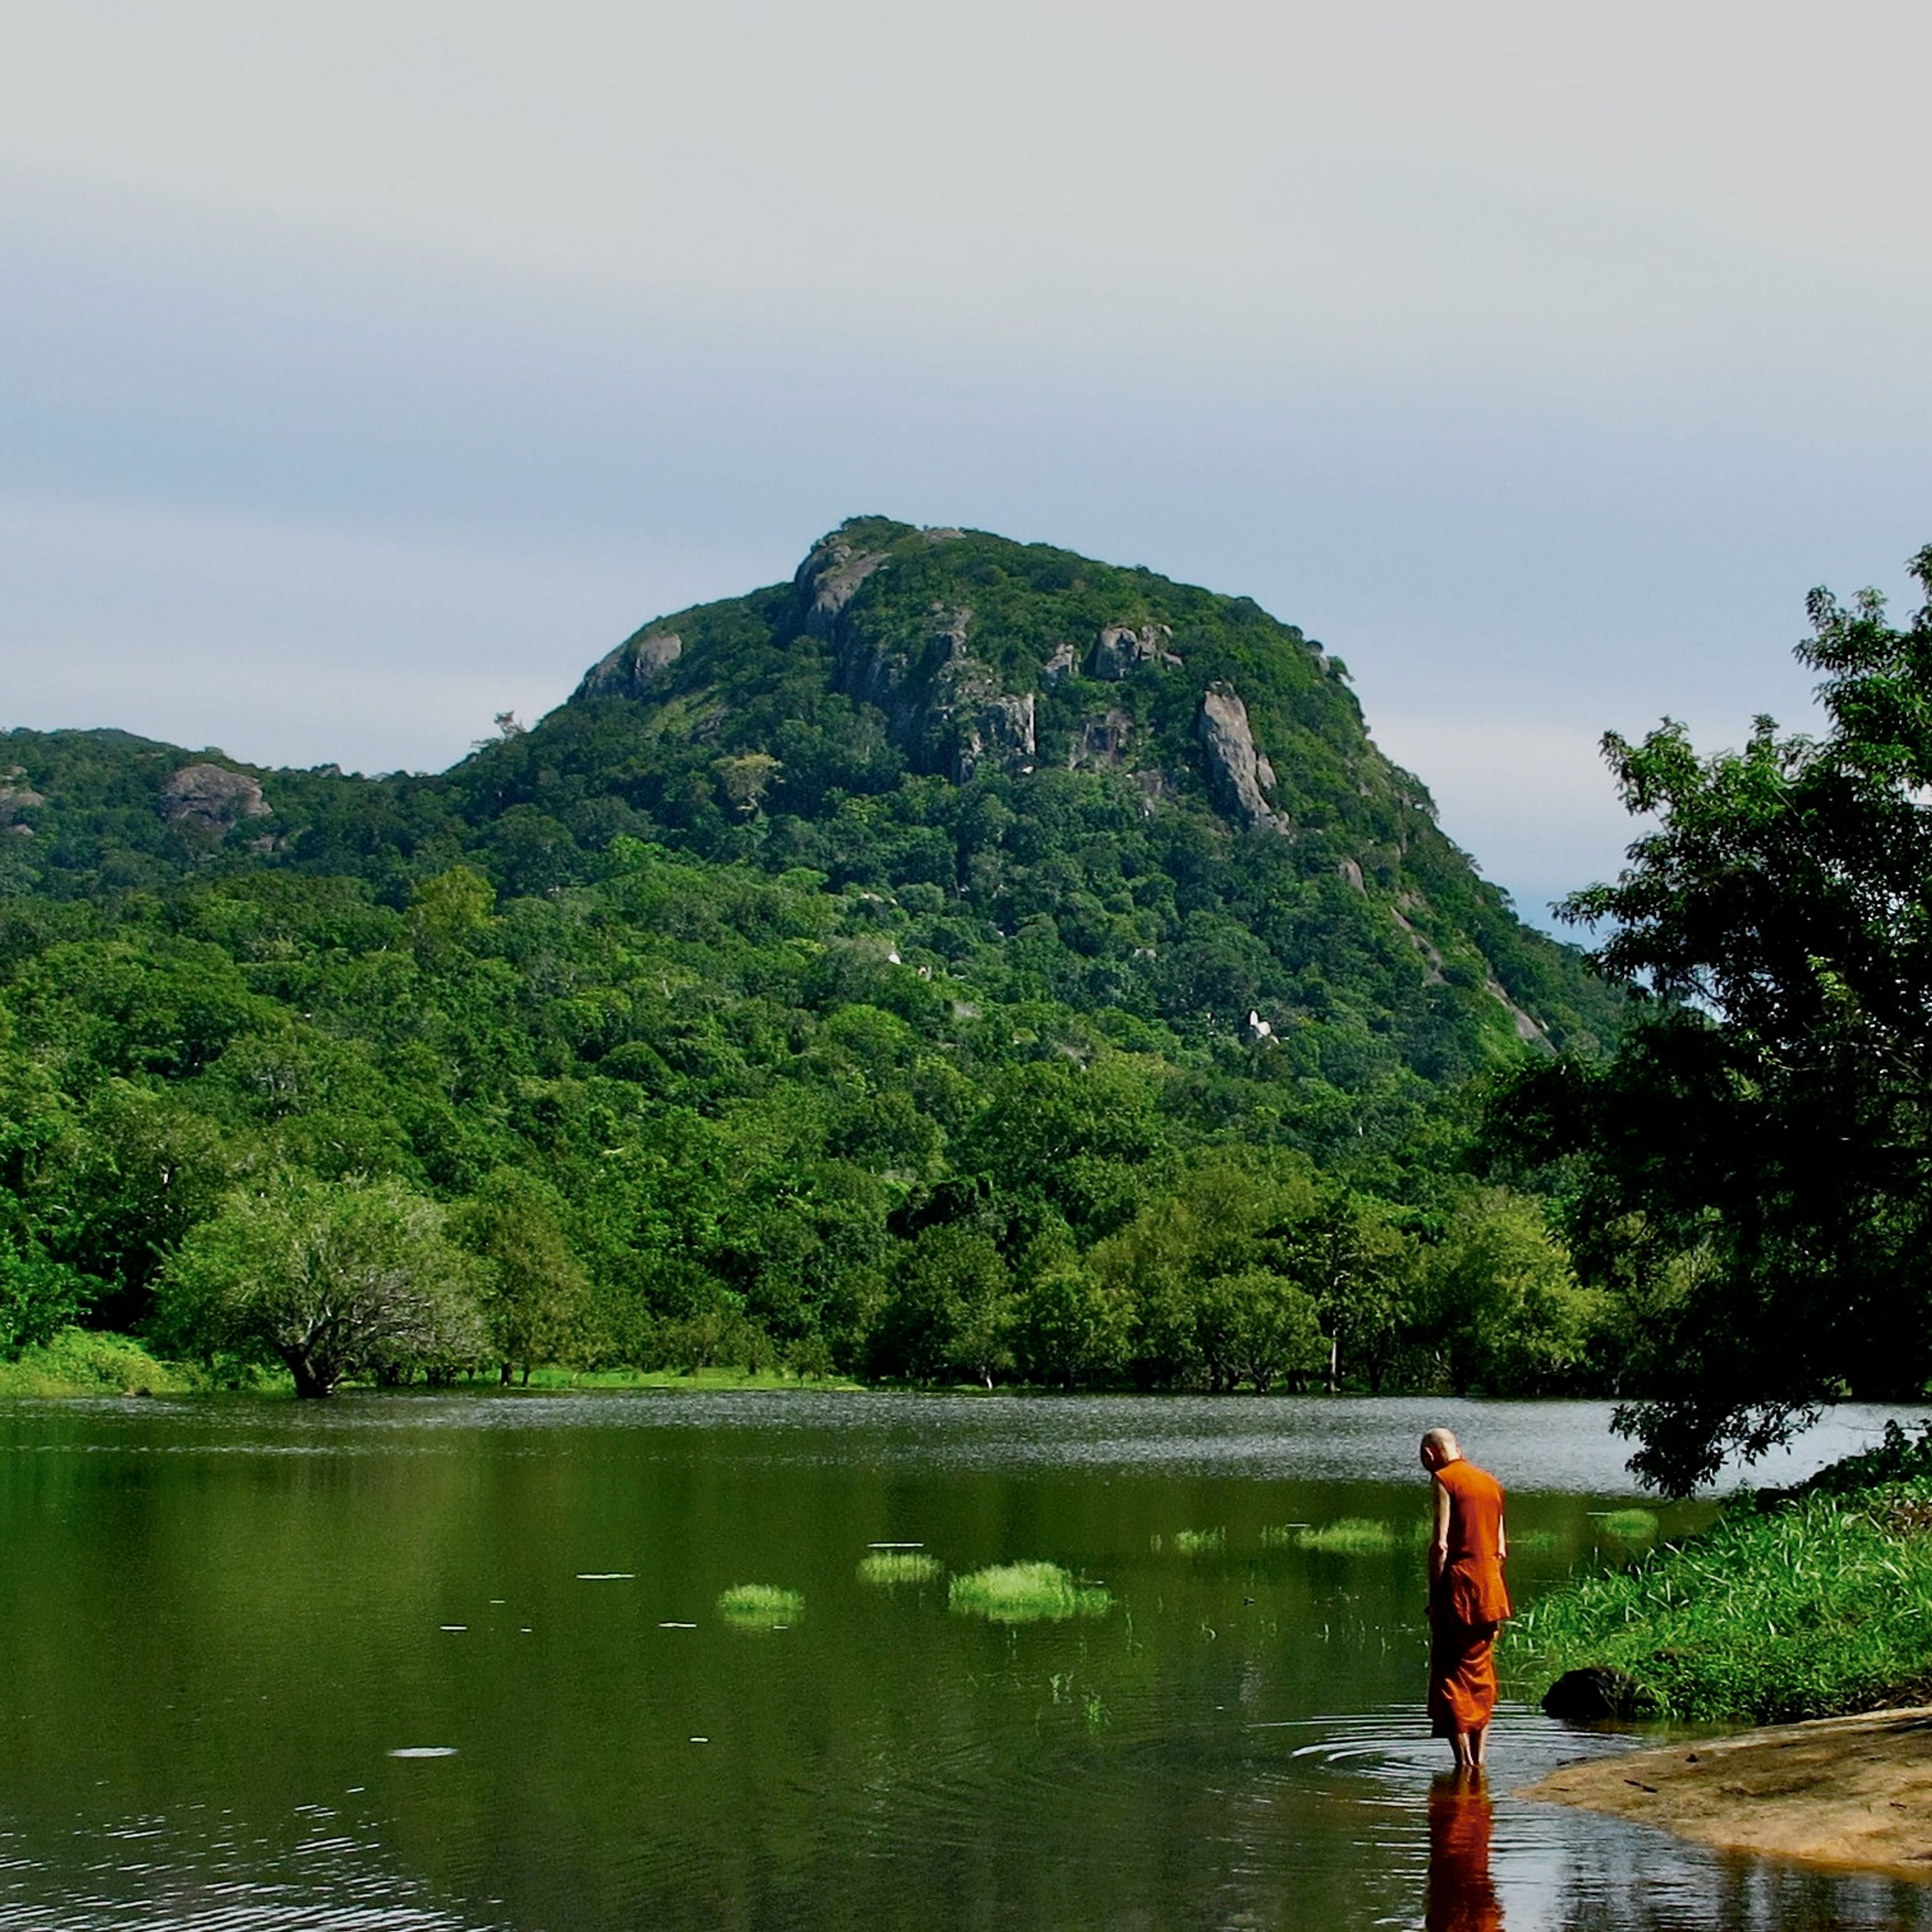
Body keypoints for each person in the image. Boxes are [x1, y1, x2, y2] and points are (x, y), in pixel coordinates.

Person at [1420, 1427, 1511, 1770]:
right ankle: (1480, 1762)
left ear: (1430, 1454)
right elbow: (1501, 1550)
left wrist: (1436, 1597)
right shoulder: (1490, 1483)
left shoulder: (1445, 1479)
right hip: (1490, 1592)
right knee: (1481, 1674)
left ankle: (1463, 1764)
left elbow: (1441, 1545)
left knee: (1450, 1676)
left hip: (1459, 1593)